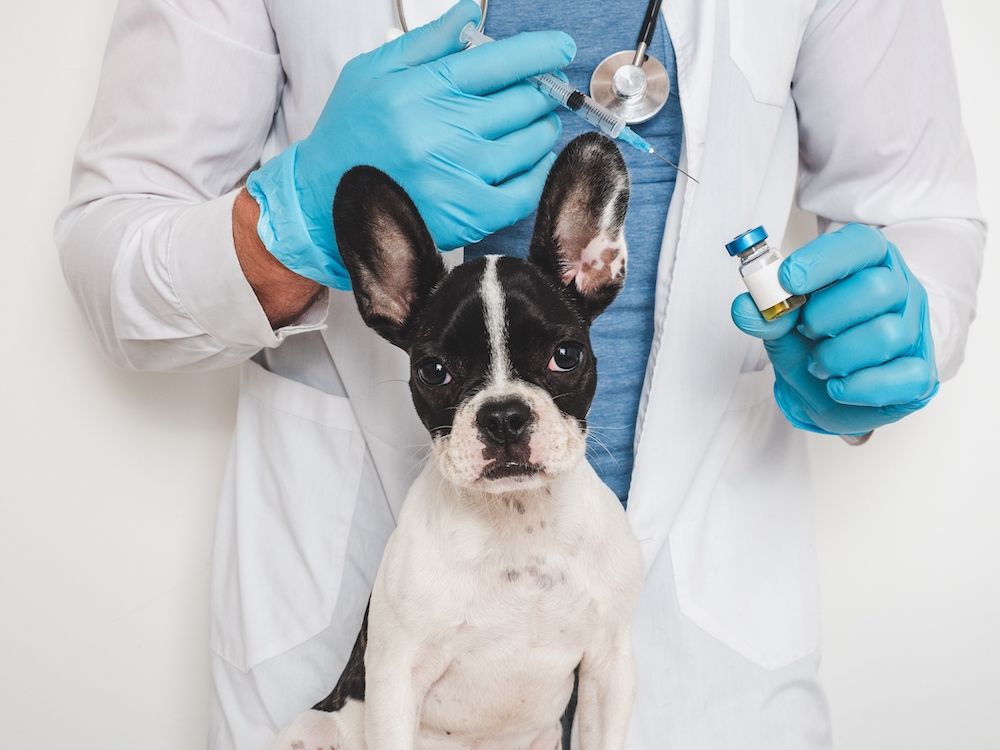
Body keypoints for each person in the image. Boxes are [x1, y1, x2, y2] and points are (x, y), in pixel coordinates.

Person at [56, 0, 984, 748]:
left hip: (707, 663)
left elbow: (919, 212)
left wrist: (893, 333)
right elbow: (111, 249)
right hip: (365, 653)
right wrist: (291, 218)